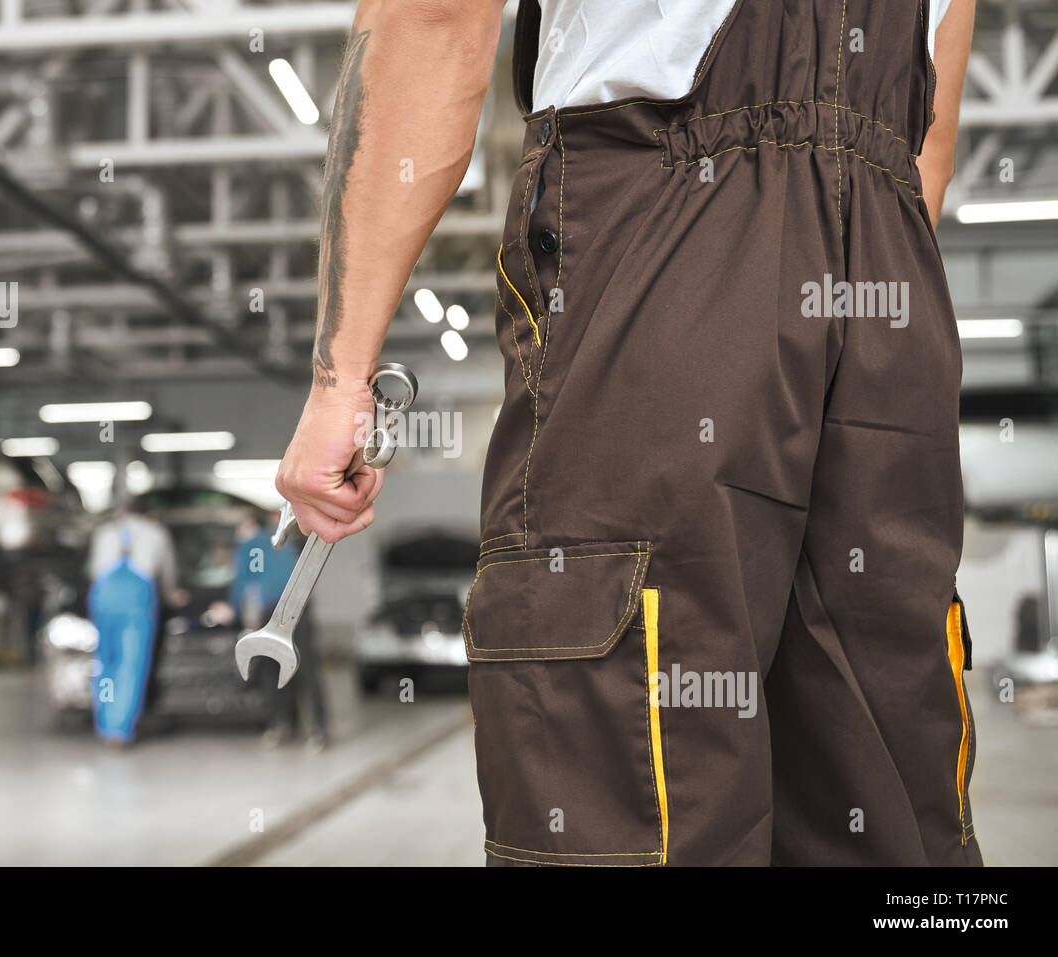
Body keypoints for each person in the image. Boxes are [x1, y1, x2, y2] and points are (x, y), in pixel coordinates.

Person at [273, 0, 981, 865]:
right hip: (887, 268)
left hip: (661, 227)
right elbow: (931, 117)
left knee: (627, 762)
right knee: (886, 779)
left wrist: (342, 376)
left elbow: (434, 14)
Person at [216, 511, 329, 751]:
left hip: (274, 610)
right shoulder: (281, 538)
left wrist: (232, 611)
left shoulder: (247, 544)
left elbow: (241, 585)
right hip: (301, 606)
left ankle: (282, 725)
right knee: (307, 667)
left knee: (270, 668)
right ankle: (319, 731)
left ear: (248, 525)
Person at [86, 496, 187, 744]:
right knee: (130, 665)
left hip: (104, 598)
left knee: (106, 661)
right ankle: (119, 729)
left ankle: (105, 720)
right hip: (135, 601)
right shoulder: (156, 533)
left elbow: (92, 571)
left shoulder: (103, 532)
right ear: (148, 514)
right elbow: (168, 577)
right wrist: (172, 594)